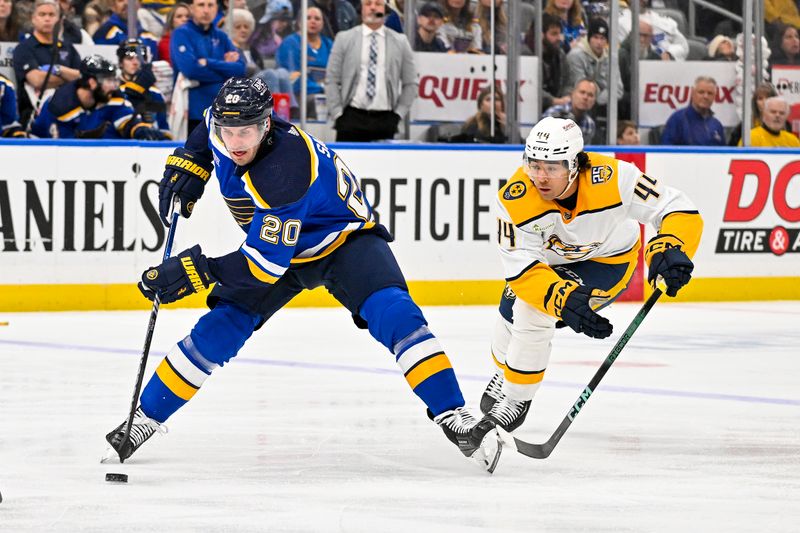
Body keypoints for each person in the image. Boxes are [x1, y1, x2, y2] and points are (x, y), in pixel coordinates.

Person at [101, 77, 503, 472]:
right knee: (218, 329)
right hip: (277, 246)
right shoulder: (217, 123)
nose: (236, 142)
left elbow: (262, 267)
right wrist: (191, 160)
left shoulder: (285, 170)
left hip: (343, 242)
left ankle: (456, 415)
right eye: (228, 132)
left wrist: (195, 270)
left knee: (397, 315)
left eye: (246, 132)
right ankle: (145, 418)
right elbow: (204, 129)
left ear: (266, 124)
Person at [470, 116, 703, 444]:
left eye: (552, 167)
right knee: (511, 306)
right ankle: (504, 372)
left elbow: (675, 208)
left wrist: (671, 244)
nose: (540, 176)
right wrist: (561, 298)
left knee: (532, 311)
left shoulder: (614, 177)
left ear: (575, 164)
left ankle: (517, 397)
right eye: (534, 165)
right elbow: (522, 270)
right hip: (548, 265)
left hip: (608, 262)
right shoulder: (514, 200)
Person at [325, 0, 417, 142]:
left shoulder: (400, 41)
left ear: (385, 9)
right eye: (368, 3)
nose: (373, 7)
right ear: (361, 8)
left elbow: (411, 83)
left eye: (378, 4)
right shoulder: (344, 38)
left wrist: (398, 114)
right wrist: (337, 113)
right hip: (351, 117)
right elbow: (331, 79)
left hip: (386, 119)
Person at [31, 54, 166, 139]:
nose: (114, 86)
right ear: (92, 82)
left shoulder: (112, 96)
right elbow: (46, 144)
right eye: (108, 81)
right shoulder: (58, 105)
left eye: (114, 80)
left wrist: (139, 130)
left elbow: (127, 122)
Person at [170, 0, 245, 132]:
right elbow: (190, 70)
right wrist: (225, 68)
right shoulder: (181, 34)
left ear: (216, 8)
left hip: (224, 111)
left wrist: (208, 62)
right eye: (201, 5)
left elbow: (240, 69)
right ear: (192, 8)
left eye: (210, 5)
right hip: (194, 113)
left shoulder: (221, 36)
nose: (206, 10)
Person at [13, 0, 83, 124]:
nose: (47, 19)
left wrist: (58, 69)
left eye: (51, 15)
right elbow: (37, 80)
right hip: (35, 116)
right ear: (33, 18)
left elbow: (82, 77)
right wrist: (67, 79)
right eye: (42, 14)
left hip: (70, 114)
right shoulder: (24, 48)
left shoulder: (68, 48)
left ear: (59, 20)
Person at [117, 38, 171, 137]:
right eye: (129, 58)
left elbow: (163, 127)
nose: (135, 62)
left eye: (139, 58)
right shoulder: (113, 90)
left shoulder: (155, 94)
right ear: (121, 63)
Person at [276, 6, 333, 99]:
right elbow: (294, 78)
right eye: (308, 18)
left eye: (317, 19)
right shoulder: (290, 43)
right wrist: (321, 88)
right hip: (300, 95)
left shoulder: (328, 44)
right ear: (299, 22)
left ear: (323, 23)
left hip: (328, 92)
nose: (313, 21)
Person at [565, 17, 622, 108]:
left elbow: (618, 89)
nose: (599, 42)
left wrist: (598, 100)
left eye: (602, 38)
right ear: (589, 38)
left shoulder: (610, 58)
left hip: (599, 103)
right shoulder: (576, 56)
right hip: (573, 101)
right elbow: (581, 87)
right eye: (595, 37)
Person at [660, 76, 725, 146]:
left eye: (710, 93)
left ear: (714, 96)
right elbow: (666, 151)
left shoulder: (717, 125)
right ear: (692, 93)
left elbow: (725, 154)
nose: (705, 96)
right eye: (701, 92)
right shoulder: (677, 120)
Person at [93, 0, 160, 59]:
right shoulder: (104, 32)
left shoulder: (149, 37)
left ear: (139, 4)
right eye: (120, 0)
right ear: (113, 6)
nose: (126, 3)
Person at [542, 78, 598, 144]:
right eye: (582, 92)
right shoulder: (552, 114)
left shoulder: (590, 124)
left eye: (590, 95)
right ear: (572, 94)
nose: (585, 97)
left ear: (594, 101)